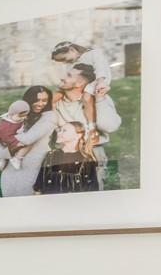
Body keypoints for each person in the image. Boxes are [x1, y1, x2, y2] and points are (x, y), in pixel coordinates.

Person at [35, 46, 121, 195]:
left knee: (90, 196)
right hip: (63, 155)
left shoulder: (98, 99)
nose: (62, 77)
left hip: (91, 152)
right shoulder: (57, 101)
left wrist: (99, 100)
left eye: (68, 75)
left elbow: (111, 127)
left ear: (80, 83)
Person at [0, 85, 58, 197]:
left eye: (44, 100)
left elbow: (29, 138)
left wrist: (6, 140)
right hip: (10, 170)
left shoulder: (49, 117)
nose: (40, 104)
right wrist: (4, 151)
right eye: (36, 100)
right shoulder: (19, 115)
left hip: (33, 168)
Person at [0, 98, 31, 171]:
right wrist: (16, 143)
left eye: (25, 116)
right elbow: (6, 137)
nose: (23, 118)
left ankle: (2, 161)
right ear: (12, 114)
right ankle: (16, 158)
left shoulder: (15, 119)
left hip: (7, 141)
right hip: (5, 143)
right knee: (27, 145)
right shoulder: (7, 125)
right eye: (21, 116)